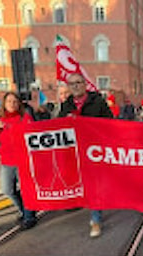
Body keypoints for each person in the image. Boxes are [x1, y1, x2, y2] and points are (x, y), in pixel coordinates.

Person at [58, 73, 113, 238]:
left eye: (78, 83)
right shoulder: (66, 105)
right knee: (83, 185)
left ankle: (96, 219)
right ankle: (96, 210)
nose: (75, 86)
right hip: (74, 153)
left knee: (93, 185)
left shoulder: (98, 101)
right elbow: (58, 125)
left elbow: (110, 122)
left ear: (85, 84)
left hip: (94, 152)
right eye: (71, 84)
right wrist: (65, 120)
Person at [0, 92, 38, 230]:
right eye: (9, 101)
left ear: (19, 104)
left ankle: (29, 217)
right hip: (7, 162)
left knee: (26, 190)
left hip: (23, 161)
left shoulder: (25, 118)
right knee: (7, 190)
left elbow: (35, 136)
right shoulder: (0, 120)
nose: (12, 104)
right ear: (4, 104)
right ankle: (26, 211)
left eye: (14, 101)